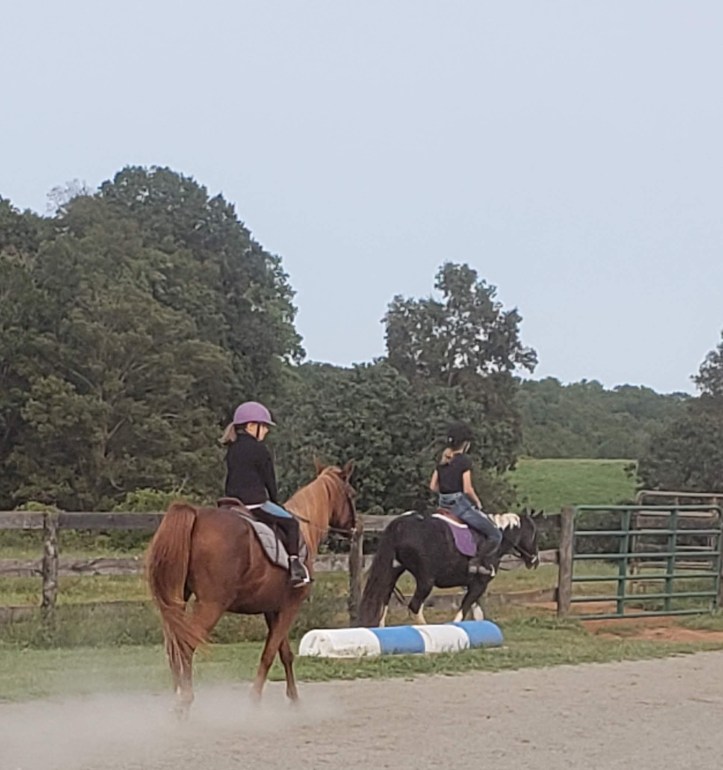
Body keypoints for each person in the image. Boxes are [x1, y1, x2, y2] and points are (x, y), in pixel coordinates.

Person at [222, 401, 310, 587]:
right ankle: (295, 566)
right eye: (264, 426)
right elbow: (269, 480)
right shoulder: (259, 449)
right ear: (251, 426)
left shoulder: (232, 448)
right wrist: (276, 502)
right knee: (292, 523)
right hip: (255, 503)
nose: (266, 431)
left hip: (231, 502)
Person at [429, 422, 502, 576]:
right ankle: (476, 561)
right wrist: (478, 502)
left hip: (443, 505)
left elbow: (432, 487)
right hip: (459, 506)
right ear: (465, 444)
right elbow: (467, 489)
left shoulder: (442, 461)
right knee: (495, 534)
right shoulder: (464, 461)